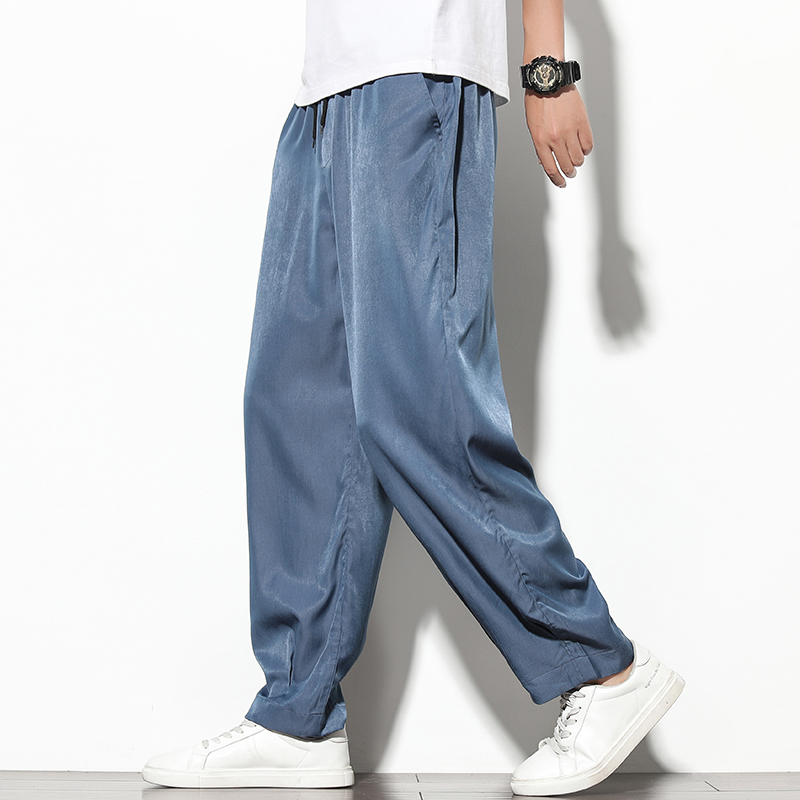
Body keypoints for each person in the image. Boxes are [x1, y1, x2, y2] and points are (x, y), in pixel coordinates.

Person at [142, 0, 683, 795]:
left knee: (422, 403)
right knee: (298, 399)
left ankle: (601, 669)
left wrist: (547, 72)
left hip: (416, 69)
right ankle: (298, 713)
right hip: (328, 87)